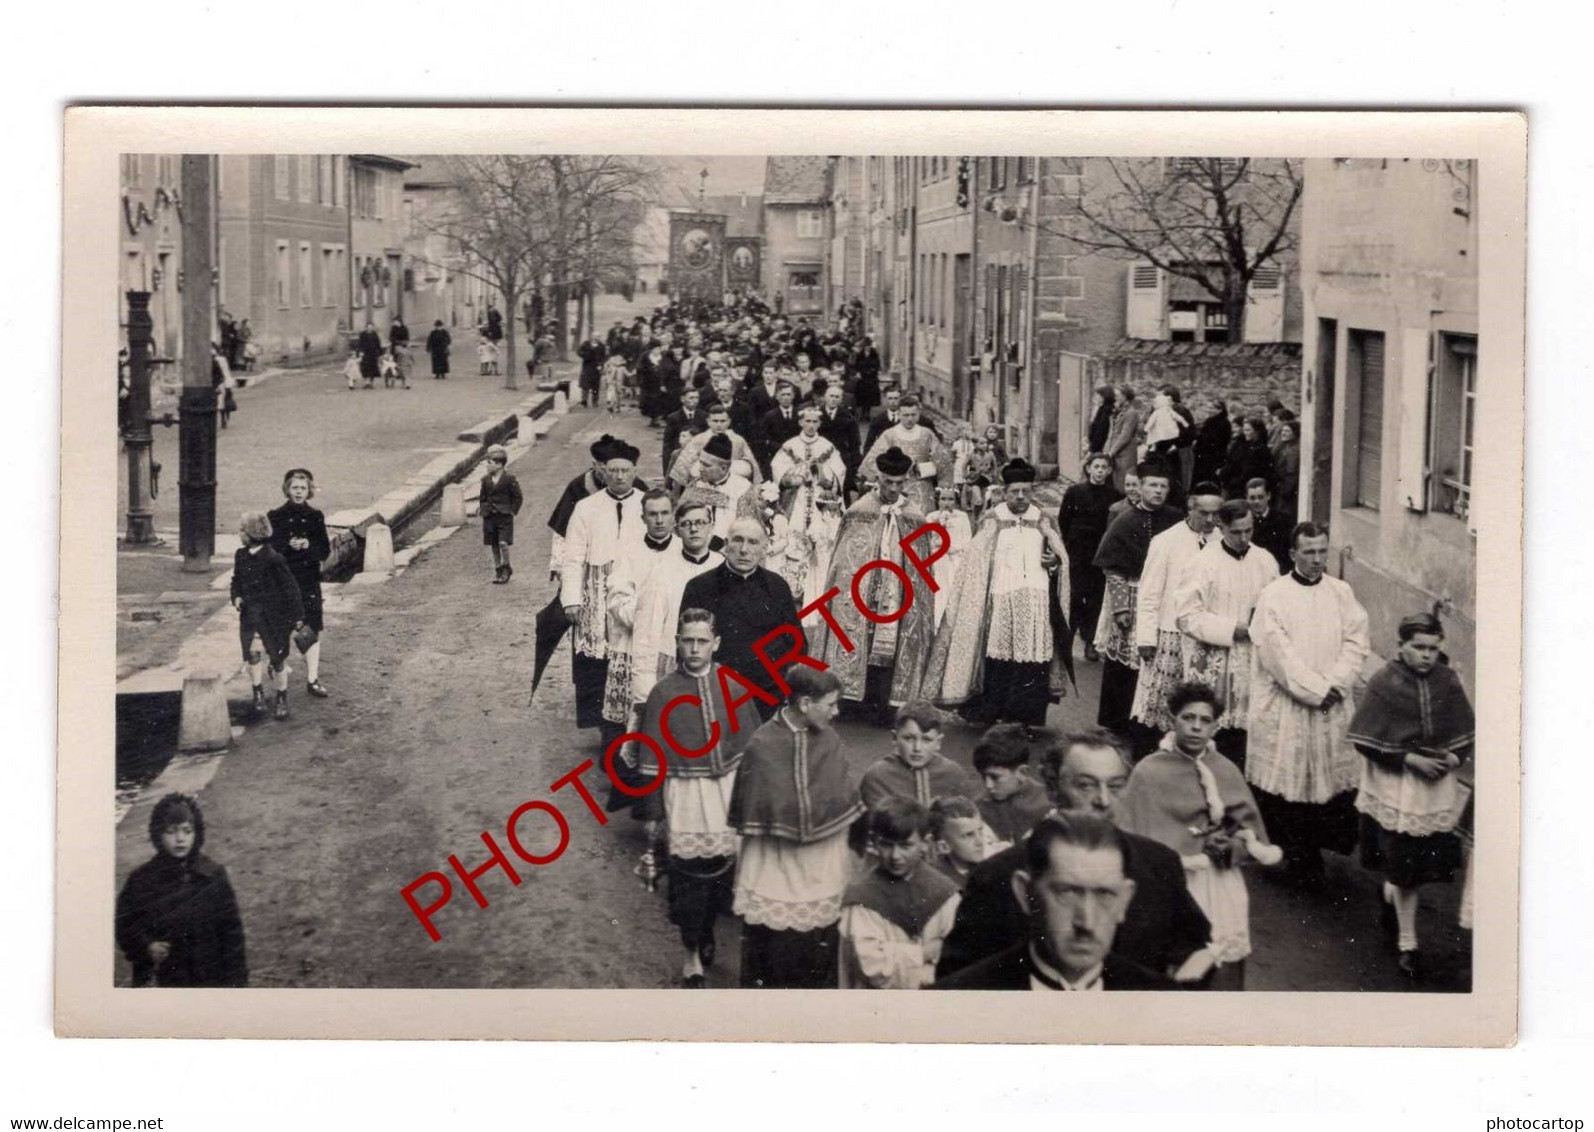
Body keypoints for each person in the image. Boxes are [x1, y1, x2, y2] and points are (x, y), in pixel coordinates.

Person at [936, 728, 1213, 982]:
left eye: (1115, 786)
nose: (1103, 800)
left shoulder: (1159, 864)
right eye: (1086, 785)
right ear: (1054, 788)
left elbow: (1192, 949)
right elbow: (958, 980)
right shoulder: (998, 875)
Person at [1114, 682, 1281, 990]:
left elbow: (1250, 830)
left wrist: (1230, 846)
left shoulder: (1225, 769)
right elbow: (1130, 831)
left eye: (1205, 721)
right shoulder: (1149, 771)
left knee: (1223, 948)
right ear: (1172, 720)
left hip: (1218, 879)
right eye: (1188, 718)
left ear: (1215, 727)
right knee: (1170, 958)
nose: (1196, 727)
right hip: (1170, 880)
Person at [635, 608, 765, 986]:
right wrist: (653, 813)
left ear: (716, 643)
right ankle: (690, 949)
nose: (694, 649)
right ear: (677, 643)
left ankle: (706, 930)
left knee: (722, 875)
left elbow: (753, 750)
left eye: (702, 641)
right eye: (687, 641)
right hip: (685, 796)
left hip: (724, 794)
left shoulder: (733, 686)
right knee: (687, 879)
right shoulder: (663, 694)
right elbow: (651, 761)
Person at [1347, 612, 1475, 979]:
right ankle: (1408, 942)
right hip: (1397, 786)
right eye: (1418, 647)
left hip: (1435, 789)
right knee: (1404, 867)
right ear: (1401, 646)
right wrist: (1408, 758)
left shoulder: (1448, 681)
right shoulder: (1384, 682)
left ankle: (1390, 895)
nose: (1426, 655)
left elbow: (1463, 729)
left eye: (1433, 648)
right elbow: (1366, 740)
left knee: (1415, 870)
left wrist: (1454, 756)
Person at [1246, 522, 1371, 890]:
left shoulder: (1341, 592)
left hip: (1332, 702)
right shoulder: (1274, 596)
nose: (1317, 559)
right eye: (1309, 552)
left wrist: (1338, 682)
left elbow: (1356, 640)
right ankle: (1294, 857)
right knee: (1290, 780)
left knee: (1326, 779)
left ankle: (1316, 851)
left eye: (1322, 551)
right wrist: (1317, 690)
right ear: (1293, 554)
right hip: (1289, 704)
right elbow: (1277, 655)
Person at [727, 666, 864, 989]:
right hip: (776, 862)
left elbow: (843, 794)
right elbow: (754, 804)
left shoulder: (829, 739)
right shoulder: (762, 743)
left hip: (821, 862)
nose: (836, 711)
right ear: (804, 703)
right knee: (774, 952)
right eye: (830, 704)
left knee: (818, 951)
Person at [933, 814, 1178, 991]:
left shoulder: (1164, 1004)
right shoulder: (957, 999)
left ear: (1124, 900)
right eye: (1067, 892)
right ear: (1024, 893)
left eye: (1104, 894)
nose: (1087, 923)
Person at [922, 459, 1073, 726]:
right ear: (1004, 491)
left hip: (1037, 599)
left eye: (1026, 491)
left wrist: (1054, 564)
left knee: (1034, 660)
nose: (1020, 497)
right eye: (1014, 491)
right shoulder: (992, 519)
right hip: (1001, 598)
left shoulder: (1043, 519)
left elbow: (1059, 556)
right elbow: (977, 560)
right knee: (999, 658)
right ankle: (995, 711)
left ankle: (1029, 717)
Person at [813, 446, 939, 714]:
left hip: (897, 592)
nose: (893, 488)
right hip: (862, 590)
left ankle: (886, 702)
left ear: (906, 482)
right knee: (856, 630)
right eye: (888, 482)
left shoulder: (914, 516)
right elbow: (841, 562)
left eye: (899, 483)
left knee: (893, 641)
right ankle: (850, 698)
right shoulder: (859, 511)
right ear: (878, 479)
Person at [1172, 499, 1281, 768]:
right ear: (1222, 526)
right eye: (1236, 532)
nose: (1244, 538)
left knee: (1252, 734)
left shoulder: (1265, 560)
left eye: (1249, 530)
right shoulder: (1202, 562)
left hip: (1254, 661)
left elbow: (1279, 606)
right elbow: (1186, 617)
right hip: (1216, 661)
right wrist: (1233, 629)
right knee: (1216, 734)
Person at [559, 440, 647, 739]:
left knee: (634, 654)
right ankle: (605, 728)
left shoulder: (647, 504)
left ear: (635, 471)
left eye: (625, 470)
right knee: (597, 661)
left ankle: (635, 723)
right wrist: (571, 599)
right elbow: (572, 556)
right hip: (595, 593)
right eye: (613, 470)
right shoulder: (586, 507)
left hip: (634, 588)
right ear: (602, 472)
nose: (619, 476)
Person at [115, 793, 247, 988]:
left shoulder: (212, 875)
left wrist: (237, 981)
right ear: (158, 834)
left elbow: (231, 932)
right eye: (171, 831)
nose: (180, 839)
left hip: (210, 976)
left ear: (197, 833)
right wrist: (146, 946)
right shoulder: (141, 879)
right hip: (165, 976)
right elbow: (124, 923)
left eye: (187, 831)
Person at [1128, 481, 1224, 748]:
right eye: (1203, 512)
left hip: (1206, 637)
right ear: (1190, 507)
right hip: (1168, 633)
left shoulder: (1220, 541)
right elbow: (1149, 593)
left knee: (1198, 706)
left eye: (1215, 514)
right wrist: (1145, 637)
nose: (1210, 519)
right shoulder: (1166, 541)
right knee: (1160, 705)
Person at [1091, 461, 1183, 735]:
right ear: (1140, 487)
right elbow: (1112, 568)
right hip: (1131, 594)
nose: (1158, 491)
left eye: (1163, 486)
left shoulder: (1177, 519)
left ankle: (1152, 718)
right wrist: (1120, 607)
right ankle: (1119, 720)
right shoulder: (1125, 520)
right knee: (1126, 662)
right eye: (1152, 485)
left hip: (1165, 597)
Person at [679, 517, 803, 716]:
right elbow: (686, 649)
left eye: (753, 542)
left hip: (768, 700)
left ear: (764, 548)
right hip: (717, 698)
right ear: (726, 545)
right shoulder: (700, 587)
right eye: (738, 540)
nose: (744, 549)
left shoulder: (777, 586)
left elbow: (796, 645)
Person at [839, 798, 962, 990]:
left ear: (925, 843)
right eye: (887, 845)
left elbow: (958, 956)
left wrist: (896, 955)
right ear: (874, 842)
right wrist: (923, 953)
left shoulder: (945, 893)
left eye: (905, 845)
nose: (895, 856)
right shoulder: (862, 898)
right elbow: (872, 968)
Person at [627, 500, 725, 709]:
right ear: (677, 529)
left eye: (700, 522)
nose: (694, 528)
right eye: (686, 524)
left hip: (717, 667)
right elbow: (646, 633)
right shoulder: (661, 570)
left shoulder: (722, 566)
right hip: (674, 663)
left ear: (711, 525)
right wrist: (644, 693)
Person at [768, 403, 847, 609]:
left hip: (820, 499)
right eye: (807, 421)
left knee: (820, 540)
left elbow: (839, 471)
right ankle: (794, 589)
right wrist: (797, 473)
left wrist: (822, 470)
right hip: (798, 499)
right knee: (795, 539)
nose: (811, 425)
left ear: (820, 423)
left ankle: (818, 588)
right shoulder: (790, 445)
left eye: (815, 421)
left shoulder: (827, 446)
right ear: (800, 422)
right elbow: (778, 468)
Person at [231, 510, 307, 721]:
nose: (239, 533)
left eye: (241, 530)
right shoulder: (241, 555)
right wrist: (236, 596)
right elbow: (236, 581)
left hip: (274, 619)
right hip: (250, 618)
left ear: (252, 534)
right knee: (253, 654)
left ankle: (282, 696)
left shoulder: (274, 559)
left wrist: (298, 616)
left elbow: (291, 589)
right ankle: (258, 692)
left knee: (277, 658)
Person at [267, 469, 332, 698]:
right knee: (282, 627)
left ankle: (312, 679)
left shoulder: (316, 516)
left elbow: (324, 550)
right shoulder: (275, 516)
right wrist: (287, 546)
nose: (299, 492)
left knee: (311, 627)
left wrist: (308, 546)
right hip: (284, 581)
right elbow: (270, 549)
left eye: (303, 488)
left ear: (309, 491)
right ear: (287, 489)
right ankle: (278, 666)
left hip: (308, 581)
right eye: (294, 488)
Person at [1057, 453, 1122, 662]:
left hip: (1100, 552)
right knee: (1075, 594)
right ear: (1088, 469)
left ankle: (1089, 642)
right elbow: (1063, 520)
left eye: (1104, 467)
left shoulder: (1114, 495)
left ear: (1109, 471)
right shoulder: (1074, 492)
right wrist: (1069, 546)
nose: (1100, 471)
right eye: (1096, 467)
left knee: (1095, 597)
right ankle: (1066, 639)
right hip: (1077, 551)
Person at [859, 701, 980, 809]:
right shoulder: (878, 776)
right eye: (909, 738)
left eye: (927, 740)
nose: (917, 748)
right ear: (895, 738)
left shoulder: (954, 774)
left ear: (938, 742)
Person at [859, 395, 952, 514]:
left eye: (913, 415)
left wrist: (923, 469)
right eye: (906, 415)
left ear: (918, 414)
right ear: (899, 414)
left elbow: (943, 462)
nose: (910, 419)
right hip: (895, 486)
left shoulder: (926, 434)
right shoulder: (890, 435)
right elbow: (872, 461)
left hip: (922, 488)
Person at [971, 725, 1053, 843]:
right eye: (983, 776)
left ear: (1022, 773)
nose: (988, 785)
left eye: (995, 777)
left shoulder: (1049, 806)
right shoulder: (980, 805)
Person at [677, 433, 760, 547]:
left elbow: (748, 529)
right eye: (701, 462)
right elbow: (679, 519)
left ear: (724, 467)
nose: (700, 468)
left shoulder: (743, 488)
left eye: (706, 465)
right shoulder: (695, 485)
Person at [669, 401, 761, 490]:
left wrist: (756, 486)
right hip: (703, 485)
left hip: (732, 486)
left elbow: (752, 465)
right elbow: (681, 470)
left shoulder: (738, 440)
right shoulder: (698, 440)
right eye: (715, 421)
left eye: (722, 421)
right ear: (708, 421)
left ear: (729, 422)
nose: (719, 425)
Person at [928, 796, 1004, 890]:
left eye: (980, 831)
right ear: (944, 846)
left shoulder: (989, 868)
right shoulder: (937, 881)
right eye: (969, 835)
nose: (980, 842)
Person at [924, 485, 974, 628]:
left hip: (956, 559)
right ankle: (935, 625)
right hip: (937, 559)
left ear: (956, 501)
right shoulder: (931, 517)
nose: (947, 503)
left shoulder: (962, 517)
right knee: (938, 592)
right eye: (943, 499)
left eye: (951, 499)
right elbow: (928, 541)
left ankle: (953, 626)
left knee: (953, 591)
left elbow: (967, 540)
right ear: (938, 500)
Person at [476, 445, 524, 585]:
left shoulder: (509, 479)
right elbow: (482, 497)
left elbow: (518, 497)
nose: (487, 466)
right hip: (490, 516)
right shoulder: (485, 480)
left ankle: (506, 567)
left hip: (504, 517)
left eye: (489, 463)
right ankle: (498, 569)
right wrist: (482, 508)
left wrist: (512, 511)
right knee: (494, 543)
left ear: (499, 464)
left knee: (503, 542)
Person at [1245, 477, 1295, 573]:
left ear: (1268, 496)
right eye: (1252, 498)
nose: (1256, 502)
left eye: (1260, 497)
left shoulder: (1284, 520)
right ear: (1246, 498)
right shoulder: (1244, 522)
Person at [1220, 416, 1275, 502]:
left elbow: (1251, 472)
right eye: (1245, 430)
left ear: (1257, 431)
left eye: (1248, 430)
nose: (1246, 433)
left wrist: (1233, 482)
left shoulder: (1261, 450)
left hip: (1245, 488)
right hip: (1232, 486)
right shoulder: (1240, 444)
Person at [1104, 385, 1143, 492]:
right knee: (1114, 482)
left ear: (1125, 396)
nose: (1114, 398)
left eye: (1117, 395)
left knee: (1123, 483)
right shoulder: (1119, 411)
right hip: (1116, 453)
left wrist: (1111, 452)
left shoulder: (1131, 413)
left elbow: (1125, 436)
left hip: (1125, 454)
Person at [661, 387, 706, 479]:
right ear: (682, 399)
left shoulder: (704, 416)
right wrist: (666, 471)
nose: (695, 401)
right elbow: (668, 444)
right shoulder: (673, 418)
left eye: (697, 398)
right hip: (680, 460)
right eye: (691, 398)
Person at [1192, 398, 1232, 488]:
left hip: (1213, 458)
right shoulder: (1210, 421)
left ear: (1220, 410)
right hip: (1204, 457)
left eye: (1212, 408)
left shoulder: (1223, 423)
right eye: (1209, 408)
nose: (1209, 410)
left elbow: (1216, 441)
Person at [1272, 420, 1301, 517]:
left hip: (1286, 489)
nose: (1283, 433)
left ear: (1295, 433)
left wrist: (1286, 491)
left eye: (1287, 431)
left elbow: (1291, 473)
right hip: (1279, 486)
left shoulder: (1294, 450)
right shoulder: (1283, 447)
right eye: (1282, 431)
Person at [864, 385, 903, 453]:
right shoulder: (878, 419)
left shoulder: (906, 418)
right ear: (885, 399)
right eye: (890, 398)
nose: (893, 402)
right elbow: (869, 443)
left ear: (900, 399)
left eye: (896, 398)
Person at [853, 336, 882, 416]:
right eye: (866, 346)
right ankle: (863, 412)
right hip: (863, 378)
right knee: (863, 396)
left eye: (868, 345)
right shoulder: (860, 354)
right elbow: (856, 365)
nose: (867, 347)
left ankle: (868, 413)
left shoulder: (874, 353)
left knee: (870, 397)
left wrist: (872, 371)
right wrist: (859, 372)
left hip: (871, 378)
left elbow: (877, 364)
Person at [577, 334, 606, 408]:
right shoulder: (586, 344)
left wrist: (601, 364)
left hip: (597, 367)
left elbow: (604, 356)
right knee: (585, 385)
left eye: (598, 337)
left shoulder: (601, 346)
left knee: (595, 386)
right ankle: (584, 401)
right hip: (587, 366)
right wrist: (586, 355)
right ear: (592, 337)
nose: (596, 338)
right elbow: (579, 352)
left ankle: (595, 401)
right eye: (595, 336)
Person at [1087, 384, 1116, 456]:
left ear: (1104, 397)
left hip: (1100, 446)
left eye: (1099, 396)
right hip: (1098, 445)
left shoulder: (1105, 411)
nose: (1097, 398)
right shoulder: (1102, 409)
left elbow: (1100, 431)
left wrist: (1092, 448)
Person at [357, 321, 384, 389]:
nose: (369, 328)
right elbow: (360, 344)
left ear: (372, 327)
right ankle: (366, 383)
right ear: (366, 327)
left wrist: (380, 354)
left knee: (373, 368)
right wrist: (360, 352)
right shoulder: (362, 334)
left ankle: (371, 383)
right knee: (365, 368)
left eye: (371, 327)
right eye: (368, 327)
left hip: (373, 354)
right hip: (365, 353)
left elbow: (378, 344)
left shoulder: (375, 334)